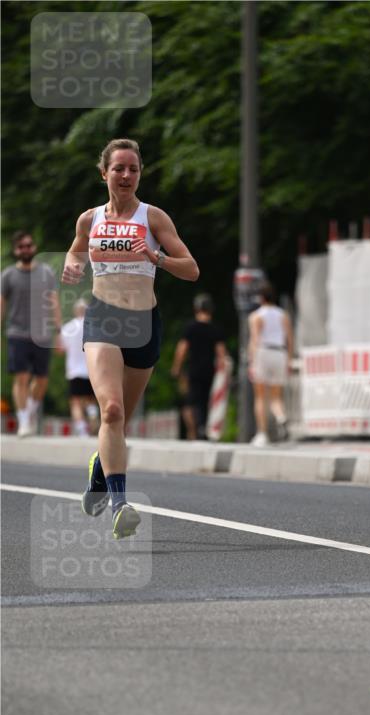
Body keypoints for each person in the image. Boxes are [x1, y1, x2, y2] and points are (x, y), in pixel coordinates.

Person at [62, 138, 198, 539]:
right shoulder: (89, 220)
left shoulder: (153, 218)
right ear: (104, 173)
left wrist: (155, 256)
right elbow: (74, 252)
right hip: (103, 319)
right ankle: (121, 504)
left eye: (133, 169)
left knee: (123, 421)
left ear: (140, 174)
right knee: (113, 412)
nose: (126, 176)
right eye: (118, 168)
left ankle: (99, 472)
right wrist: (72, 267)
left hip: (144, 323)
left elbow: (191, 269)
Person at [1, 230, 60, 437]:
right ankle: (24, 421)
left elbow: (54, 302)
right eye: (21, 246)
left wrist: (59, 331)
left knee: (42, 379)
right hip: (17, 332)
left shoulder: (46, 273)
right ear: (16, 250)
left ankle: (29, 412)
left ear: (34, 247)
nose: (26, 249)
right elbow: (1, 304)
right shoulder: (8, 275)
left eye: (29, 245)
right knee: (22, 377)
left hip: (43, 333)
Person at [171, 293, 227, 440]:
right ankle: (203, 428)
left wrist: (177, 367)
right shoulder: (215, 329)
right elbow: (221, 353)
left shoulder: (191, 327)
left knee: (189, 401)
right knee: (204, 401)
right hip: (209, 371)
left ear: (196, 308)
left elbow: (182, 348)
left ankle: (192, 431)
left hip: (193, 370)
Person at [248, 282, 294, 446]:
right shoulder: (283, 315)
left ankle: (262, 433)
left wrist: (251, 361)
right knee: (276, 396)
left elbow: (255, 339)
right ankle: (281, 417)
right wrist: (288, 359)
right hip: (280, 353)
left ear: (261, 298)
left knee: (260, 396)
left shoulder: (256, 316)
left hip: (263, 351)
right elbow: (289, 338)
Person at [57, 297, 99, 437]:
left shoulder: (68, 328)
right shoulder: (94, 327)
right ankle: (93, 416)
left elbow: (60, 349)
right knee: (91, 399)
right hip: (91, 370)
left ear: (76, 311)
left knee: (75, 402)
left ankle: (82, 430)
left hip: (74, 371)